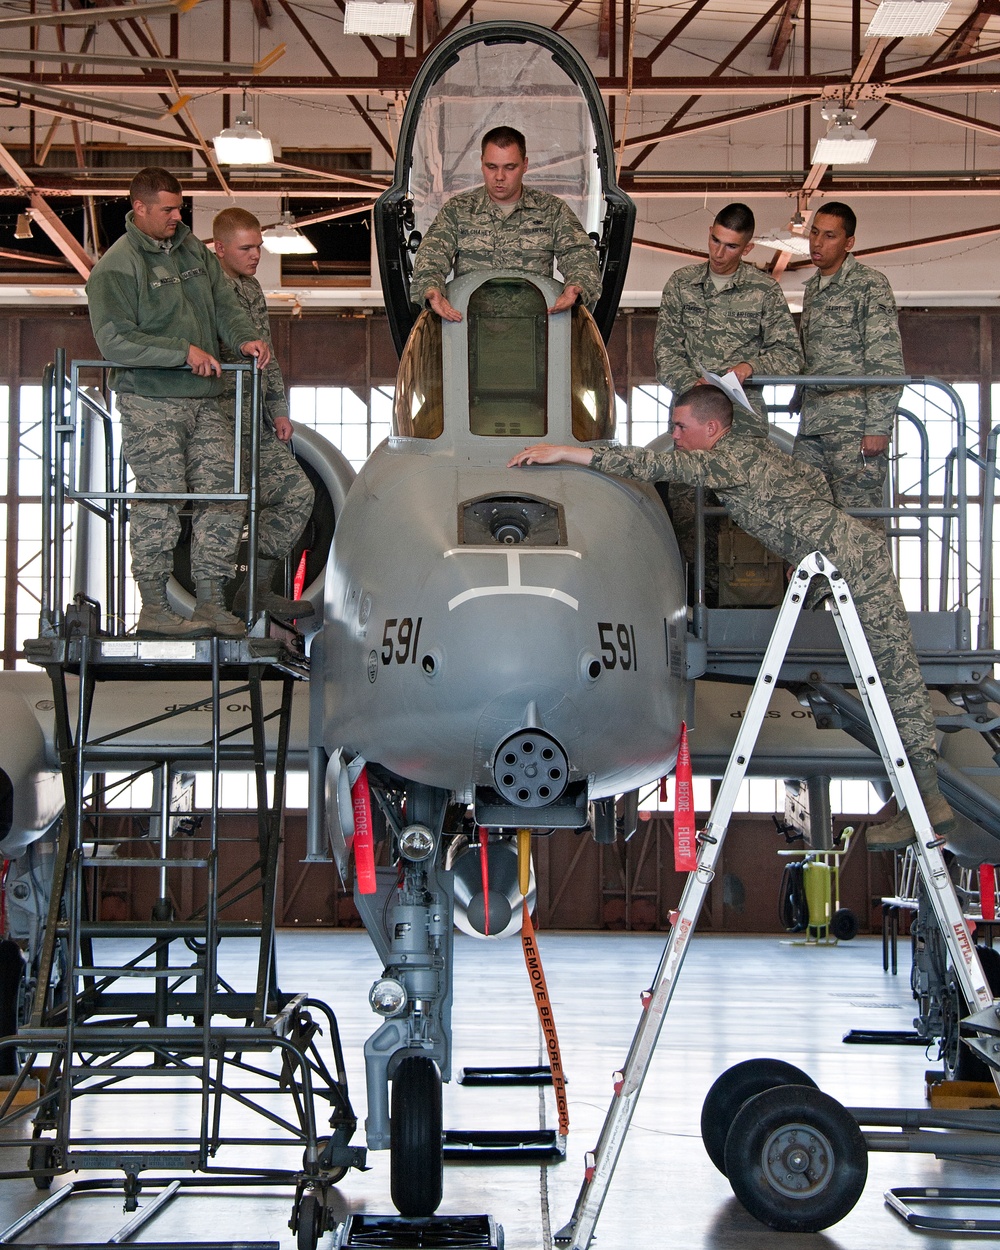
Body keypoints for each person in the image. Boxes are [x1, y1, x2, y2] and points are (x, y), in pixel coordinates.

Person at [508, 385, 954, 852]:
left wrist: (563, 452)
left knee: (893, 681)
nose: (674, 436)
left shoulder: (726, 459)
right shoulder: (751, 450)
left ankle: (926, 806)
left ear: (712, 428)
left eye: (681, 427)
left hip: (852, 563)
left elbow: (647, 464)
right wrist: (804, 546)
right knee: (887, 679)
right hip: (843, 556)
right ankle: (924, 804)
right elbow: (812, 481)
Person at [86, 167, 271, 640]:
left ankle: (212, 602)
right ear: (139, 208)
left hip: (205, 399)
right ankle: (153, 606)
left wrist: (245, 337)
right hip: (152, 401)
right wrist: (180, 353)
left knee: (224, 495)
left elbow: (225, 305)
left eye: (180, 206)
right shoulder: (116, 267)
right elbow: (114, 342)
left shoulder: (191, 248)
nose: (177, 215)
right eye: (167, 208)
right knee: (161, 499)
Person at [211, 207, 315, 622]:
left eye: (259, 246)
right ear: (219, 248)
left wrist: (278, 409)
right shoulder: (205, 288)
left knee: (295, 493)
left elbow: (266, 355)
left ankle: (254, 592)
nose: (256, 255)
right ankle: (210, 604)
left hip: (252, 422)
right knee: (222, 510)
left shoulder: (252, 289)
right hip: (216, 421)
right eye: (246, 248)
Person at [408, 125, 603, 323]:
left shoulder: (552, 211)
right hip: (468, 329)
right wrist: (431, 287)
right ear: (481, 163)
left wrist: (577, 284)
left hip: (535, 330)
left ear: (525, 165)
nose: (499, 176)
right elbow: (431, 256)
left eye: (510, 167)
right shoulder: (458, 210)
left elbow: (579, 254)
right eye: (492, 167)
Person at [795, 202, 904, 531]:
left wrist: (878, 426)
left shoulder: (869, 284)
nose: (817, 243)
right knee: (808, 519)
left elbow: (885, 357)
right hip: (813, 423)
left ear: (848, 243)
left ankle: (865, 586)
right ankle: (819, 586)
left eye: (829, 236)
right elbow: (813, 353)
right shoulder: (813, 288)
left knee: (858, 526)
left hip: (854, 426)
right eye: (814, 232)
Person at [653, 203, 803, 437]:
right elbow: (665, 351)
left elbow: (790, 355)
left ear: (748, 248)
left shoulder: (764, 290)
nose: (719, 253)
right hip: (691, 418)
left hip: (743, 421)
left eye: (731, 246)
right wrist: (692, 385)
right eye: (715, 240)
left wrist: (751, 367)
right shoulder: (681, 284)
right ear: (710, 231)